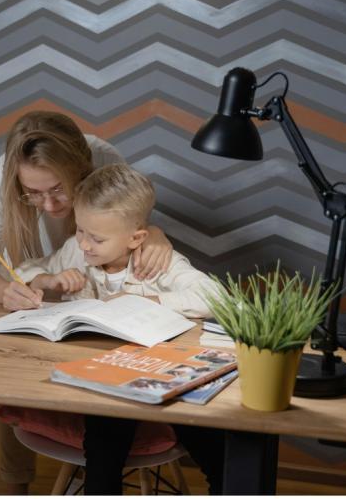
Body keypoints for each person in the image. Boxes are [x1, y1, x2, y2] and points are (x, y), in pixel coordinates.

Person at [0, 111, 175, 494]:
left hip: (94, 296)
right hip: (40, 289)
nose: (47, 204)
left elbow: (129, 220)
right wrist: (5, 292)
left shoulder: (105, 159)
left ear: (83, 167)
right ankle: (17, 485)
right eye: (33, 193)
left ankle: (96, 463)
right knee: (12, 369)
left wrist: (155, 233)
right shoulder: (4, 177)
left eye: (58, 189)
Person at [13, 163, 227, 495]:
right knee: (105, 434)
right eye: (80, 230)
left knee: (208, 437)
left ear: (136, 238)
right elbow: (24, 271)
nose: (84, 244)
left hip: (157, 375)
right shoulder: (75, 250)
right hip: (100, 384)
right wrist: (48, 280)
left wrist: (146, 298)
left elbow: (216, 297)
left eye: (96, 237)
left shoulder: (157, 261)